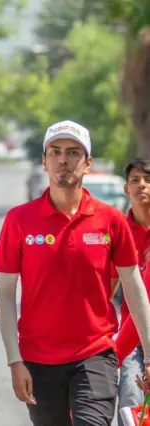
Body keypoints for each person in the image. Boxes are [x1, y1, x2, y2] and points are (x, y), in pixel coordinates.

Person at [0, 120, 150, 425]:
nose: (63, 160)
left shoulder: (111, 221)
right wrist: (14, 360)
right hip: (37, 360)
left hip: (96, 355)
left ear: (88, 162)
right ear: (44, 161)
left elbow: (134, 288)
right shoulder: (19, 220)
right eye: (55, 152)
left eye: (73, 152)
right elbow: (5, 294)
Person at [111, 158, 150, 425]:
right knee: (131, 406)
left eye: (147, 180)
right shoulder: (119, 233)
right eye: (135, 180)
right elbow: (106, 287)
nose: (142, 186)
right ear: (126, 188)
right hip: (132, 338)